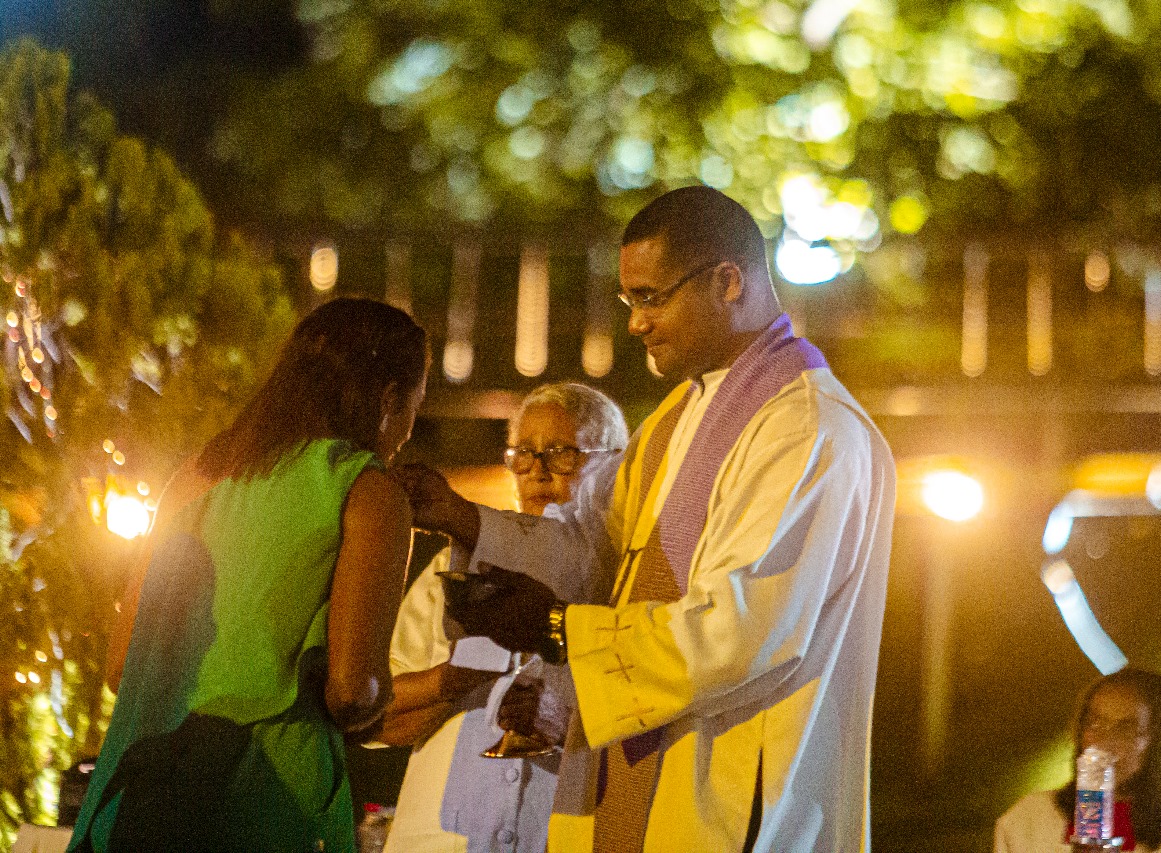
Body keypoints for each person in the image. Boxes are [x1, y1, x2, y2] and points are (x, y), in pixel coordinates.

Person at [401, 185, 896, 852]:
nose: (635, 323)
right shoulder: (673, 419)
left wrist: (556, 626)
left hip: (734, 797)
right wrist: (464, 520)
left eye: (651, 297)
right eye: (628, 300)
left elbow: (741, 630)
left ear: (727, 281)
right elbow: (593, 554)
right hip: (634, 780)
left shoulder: (806, 427)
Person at [68, 298, 427, 853]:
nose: (407, 432)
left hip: (145, 797)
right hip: (270, 797)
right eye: (414, 407)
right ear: (387, 400)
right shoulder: (366, 491)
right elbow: (353, 692)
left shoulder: (195, 477)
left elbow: (123, 665)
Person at [379, 383, 627, 853]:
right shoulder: (451, 572)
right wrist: (451, 682)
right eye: (524, 454)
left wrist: (570, 723)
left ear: (614, 464)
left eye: (561, 453)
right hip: (439, 839)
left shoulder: (626, 583)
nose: (537, 471)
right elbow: (374, 717)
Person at [994, 668, 1161, 853]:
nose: (1105, 742)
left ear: (1157, 741)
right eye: (1095, 724)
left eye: (1125, 729)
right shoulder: (1029, 819)